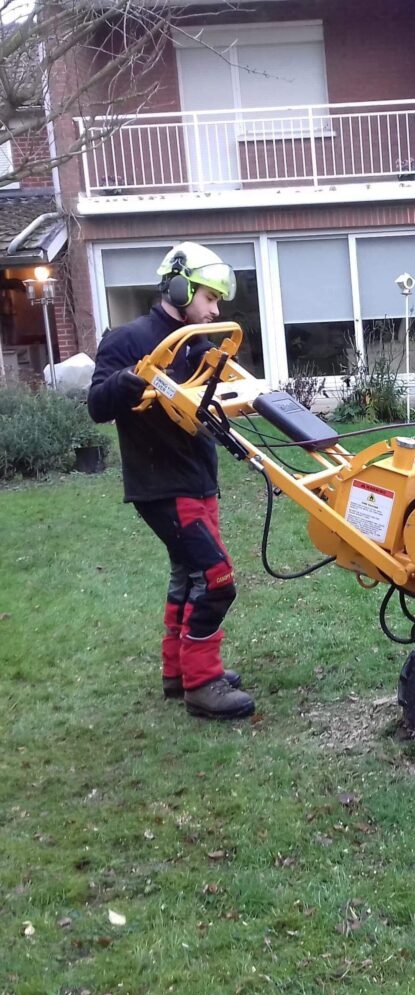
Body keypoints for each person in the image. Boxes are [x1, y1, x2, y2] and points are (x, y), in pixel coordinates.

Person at [88, 242, 256, 720]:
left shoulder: (198, 343)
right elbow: (98, 405)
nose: (215, 309)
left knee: (189, 575)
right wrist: (128, 380)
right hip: (161, 483)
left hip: (200, 477)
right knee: (216, 578)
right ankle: (203, 685)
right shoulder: (127, 340)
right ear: (180, 288)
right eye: (209, 298)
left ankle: (178, 672)